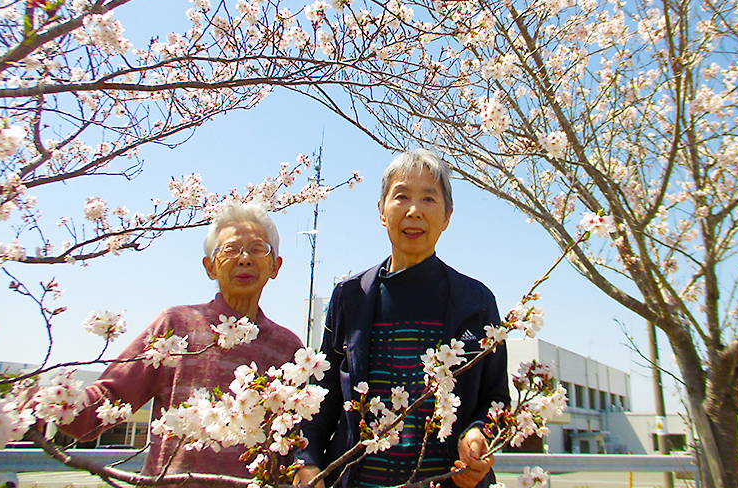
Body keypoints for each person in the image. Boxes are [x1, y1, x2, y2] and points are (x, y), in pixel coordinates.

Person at [295, 149, 509, 488]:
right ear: (382, 211)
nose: (414, 211)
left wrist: (478, 434)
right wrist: (307, 463)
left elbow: (495, 399)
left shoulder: (477, 303)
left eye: (429, 198)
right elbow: (324, 396)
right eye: (402, 196)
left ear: (447, 216)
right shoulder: (350, 297)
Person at [55, 202, 303, 487]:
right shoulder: (175, 326)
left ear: (275, 266)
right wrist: (53, 403)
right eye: (230, 249)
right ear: (210, 267)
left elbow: (295, 445)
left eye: (258, 249)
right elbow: (110, 398)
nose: (244, 259)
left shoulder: (288, 349)